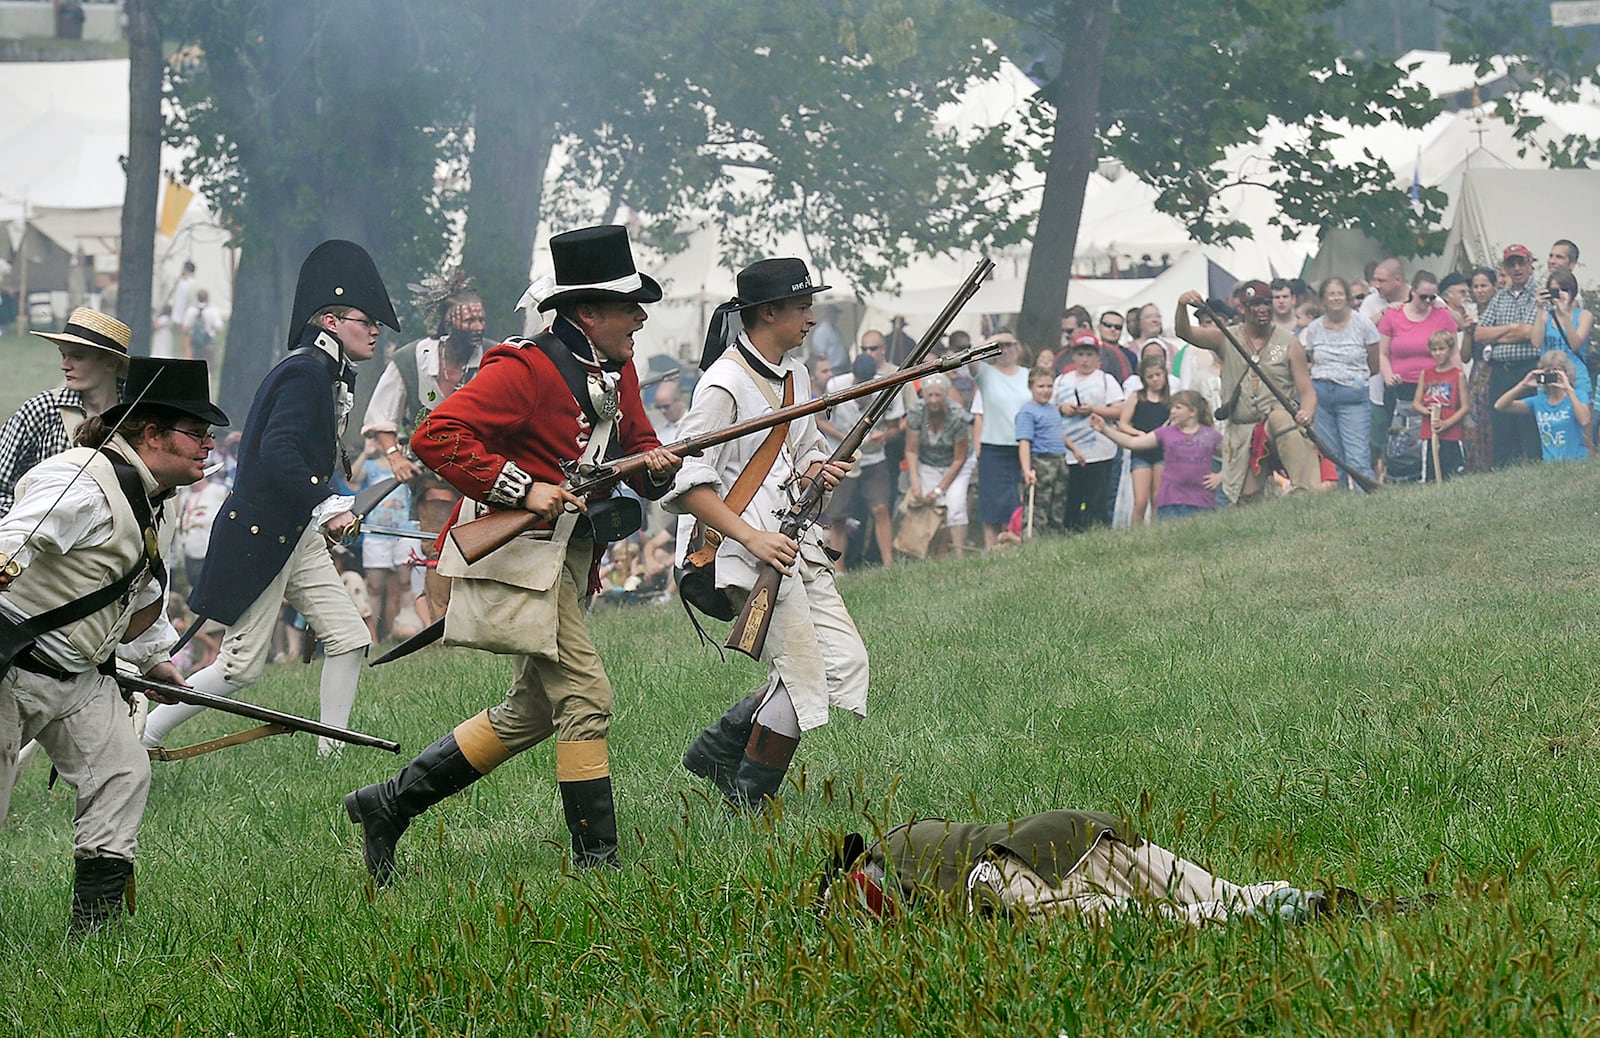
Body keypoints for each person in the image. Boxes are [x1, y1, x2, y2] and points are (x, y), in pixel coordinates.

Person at [345, 226, 680, 881]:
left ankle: (388, 803)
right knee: (587, 699)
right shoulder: (526, 366)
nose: (641, 318)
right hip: (518, 558)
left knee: (530, 712)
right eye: (627, 307)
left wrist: (659, 470)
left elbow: (637, 451)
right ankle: (599, 867)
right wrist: (525, 489)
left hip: (566, 559)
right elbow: (439, 437)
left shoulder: (619, 368)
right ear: (588, 313)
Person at [142, 241, 400, 757]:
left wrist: (333, 504)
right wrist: (329, 503)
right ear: (330, 320)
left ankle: (333, 755)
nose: (375, 330)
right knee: (240, 667)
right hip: (263, 535)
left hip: (291, 533)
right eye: (364, 319)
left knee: (349, 638)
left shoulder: (318, 374)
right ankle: (142, 735)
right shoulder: (305, 373)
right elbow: (279, 452)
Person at [0, 357, 228, 932]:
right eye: (196, 433)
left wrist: (156, 658)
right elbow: (21, 529)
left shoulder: (153, 498)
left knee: (122, 774)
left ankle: (95, 931)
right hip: (11, 666)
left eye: (208, 435)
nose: (206, 446)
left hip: (78, 677)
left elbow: (141, 588)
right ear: (151, 434)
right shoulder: (83, 480)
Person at [668, 257, 858, 812]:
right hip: (743, 552)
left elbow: (801, 453)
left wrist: (816, 471)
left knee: (844, 664)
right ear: (767, 312)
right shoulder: (724, 384)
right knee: (802, 680)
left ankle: (717, 748)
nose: (810, 318)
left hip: (792, 542)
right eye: (801, 307)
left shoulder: (793, 376)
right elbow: (684, 478)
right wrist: (750, 539)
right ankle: (749, 805)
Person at [818, 809, 1402, 925]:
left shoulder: (880, 861)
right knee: (1220, 891)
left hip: (1012, 875)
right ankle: (1314, 901)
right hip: (1082, 832)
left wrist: (839, 907)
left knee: (1182, 920)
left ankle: (1298, 909)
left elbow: (869, 898)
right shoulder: (911, 836)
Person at [361, 270, 488, 619]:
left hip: (484, 471)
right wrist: (394, 456)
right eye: (469, 319)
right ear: (449, 320)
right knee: (438, 543)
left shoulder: (493, 358)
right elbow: (380, 418)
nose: (477, 326)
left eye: (480, 318)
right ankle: (441, 626)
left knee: (485, 543)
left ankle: (481, 623)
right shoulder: (412, 359)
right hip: (432, 474)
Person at [1174, 284, 1320, 502]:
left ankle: (1303, 490)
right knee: (1247, 500)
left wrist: (1306, 413)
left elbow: (1307, 391)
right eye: (1255, 304)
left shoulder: (1288, 342)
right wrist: (1181, 304)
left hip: (1278, 423)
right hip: (1242, 429)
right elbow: (1184, 332)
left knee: (1282, 420)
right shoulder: (1225, 337)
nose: (1262, 309)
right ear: (1242, 309)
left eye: (1266, 303)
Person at [0, 307, 130, 516]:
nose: (64, 365)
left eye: (77, 357)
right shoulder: (42, 410)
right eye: (63, 355)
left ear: (110, 363)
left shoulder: (136, 418)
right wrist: (22, 525)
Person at [1375, 270, 1457, 479]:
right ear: (1413, 292)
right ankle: (1400, 477)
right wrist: (1387, 375)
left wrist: (1457, 381)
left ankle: (1434, 475)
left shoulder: (1442, 315)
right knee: (1400, 439)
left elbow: (1453, 350)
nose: (1428, 302)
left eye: (1432, 297)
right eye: (1423, 297)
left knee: (1433, 436)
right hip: (1400, 387)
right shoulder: (1394, 315)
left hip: (1434, 386)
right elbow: (1383, 353)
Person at [825, 353, 903, 570]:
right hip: (842, 457)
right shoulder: (836, 385)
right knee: (838, 515)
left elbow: (895, 428)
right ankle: (838, 569)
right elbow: (819, 419)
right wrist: (844, 438)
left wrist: (884, 436)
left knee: (880, 508)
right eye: (860, 382)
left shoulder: (887, 387)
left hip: (874, 456)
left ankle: (889, 565)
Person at [1093, 390, 1222, 519]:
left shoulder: (1210, 435)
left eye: (1178, 408)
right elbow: (1133, 442)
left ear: (1192, 412)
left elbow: (1233, 456)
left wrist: (1222, 475)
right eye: (1172, 407)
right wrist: (1105, 429)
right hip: (1170, 501)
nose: (1172, 411)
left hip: (1202, 501)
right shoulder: (1165, 433)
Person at [1301, 277, 1379, 490]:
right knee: (1332, 456)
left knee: (1357, 456)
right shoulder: (1315, 328)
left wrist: (1355, 380)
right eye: (1331, 294)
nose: (1336, 298)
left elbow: (1375, 362)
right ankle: (1343, 502)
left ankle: (1367, 500)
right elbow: (1311, 358)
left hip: (1352, 395)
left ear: (1347, 297)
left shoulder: (1363, 324)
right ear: (1323, 300)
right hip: (1322, 396)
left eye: (1340, 293)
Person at [1476, 245, 1543, 466]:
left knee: (1530, 432)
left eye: (1521, 262)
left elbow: (1529, 332)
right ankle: (1503, 480)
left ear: (1530, 263)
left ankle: (1537, 481)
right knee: (1502, 431)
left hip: (1529, 369)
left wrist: (1499, 334)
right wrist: (1513, 328)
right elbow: (1480, 333)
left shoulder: (1539, 294)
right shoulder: (1499, 297)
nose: (1516, 268)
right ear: (1505, 267)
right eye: (1511, 264)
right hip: (1501, 371)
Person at [1053, 334, 1125, 530]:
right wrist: (1062, 409)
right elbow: (1048, 411)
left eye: (1089, 355)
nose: (1085, 360)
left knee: (1097, 501)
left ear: (1097, 357)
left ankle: (1097, 533)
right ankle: (1070, 533)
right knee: (1071, 500)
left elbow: (1119, 410)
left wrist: (1093, 409)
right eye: (1081, 354)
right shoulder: (1061, 381)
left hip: (1100, 451)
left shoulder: (1105, 380)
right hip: (1068, 452)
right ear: (1073, 356)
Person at [968, 331, 1030, 549]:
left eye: (1010, 345)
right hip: (994, 447)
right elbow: (970, 357)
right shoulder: (986, 373)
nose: (1006, 350)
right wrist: (990, 342)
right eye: (1000, 346)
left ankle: (1013, 548)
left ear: (1019, 347)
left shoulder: (1028, 375)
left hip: (1024, 446)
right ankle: (990, 550)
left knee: (1016, 503)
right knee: (992, 506)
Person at [903, 372, 972, 556]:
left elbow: (960, 457)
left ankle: (959, 554)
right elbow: (911, 450)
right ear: (923, 396)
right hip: (928, 462)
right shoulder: (917, 412)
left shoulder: (957, 415)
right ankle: (929, 553)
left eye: (938, 395)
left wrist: (940, 489)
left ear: (946, 395)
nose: (933, 400)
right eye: (929, 395)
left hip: (956, 463)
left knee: (955, 505)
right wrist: (915, 481)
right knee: (928, 503)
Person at [1494, 350, 1591, 463]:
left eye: (1556, 371)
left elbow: (1584, 420)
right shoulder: (1538, 401)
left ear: (1566, 373)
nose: (1552, 375)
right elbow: (1500, 406)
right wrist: (1523, 385)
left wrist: (1568, 389)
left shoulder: (1578, 395)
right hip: (1550, 465)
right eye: (1548, 371)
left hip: (1577, 461)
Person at [1015, 368, 1077, 534]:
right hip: (1041, 462)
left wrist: (1075, 450)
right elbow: (1024, 442)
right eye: (1041, 386)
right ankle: (1033, 541)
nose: (1046, 391)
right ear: (1031, 387)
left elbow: (1058, 434)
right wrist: (1027, 470)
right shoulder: (1027, 412)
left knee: (1057, 504)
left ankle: (1054, 539)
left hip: (1059, 461)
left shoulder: (1053, 410)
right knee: (1038, 507)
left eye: (1049, 386)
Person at [1118, 351, 1171, 524]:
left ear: (1164, 375)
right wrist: (1139, 434)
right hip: (1140, 451)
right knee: (1140, 501)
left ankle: (1156, 536)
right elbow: (1123, 424)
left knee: (1158, 498)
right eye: (1150, 377)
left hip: (1161, 452)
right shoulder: (1137, 397)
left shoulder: (1169, 401)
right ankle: (1136, 537)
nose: (1155, 379)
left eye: (1158, 375)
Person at [1530, 269, 1593, 406]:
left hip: (1577, 378)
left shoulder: (1584, 316)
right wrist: (1540, 308)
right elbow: (1536, 342)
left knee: (1581, 422)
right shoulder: (1546, 316)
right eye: (1554, 290)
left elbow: (1575, 344)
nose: (1559, 294)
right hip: (1549, 379)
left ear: (1572, 291)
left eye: (1563, 289)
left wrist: (1565, 315)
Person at [1413, 330, 1466, 482]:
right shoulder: (1426, 374)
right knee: (1430, 475)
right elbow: (1416, 402)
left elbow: (1465, 407)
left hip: (1452, 434)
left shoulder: (1458, 375)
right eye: (1434, 350)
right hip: (1429, 433)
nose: (1438, 353)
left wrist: (1447, 423)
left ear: (1449, 349)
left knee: (1454, 476)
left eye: (1441, 349)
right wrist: (1427, 411)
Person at [1462, 266, 1501, 472]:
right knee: (1475, 421)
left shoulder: (1501, 310)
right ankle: (1476, 465)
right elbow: (1464, 356)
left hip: (1497, 369)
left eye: (1484, 285)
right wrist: (1468, 331)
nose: (1480, 290)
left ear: (1494, 287)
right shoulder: (1471, 313)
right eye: (1475, 286)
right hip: (1478, 374)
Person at [181, 288, 225, 365]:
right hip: (208, 343)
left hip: (195, 344)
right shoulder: (213, 311)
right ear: (207, 298)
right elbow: (219, 329)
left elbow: (184, 329)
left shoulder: (191, 310)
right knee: (208, 367)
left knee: (195, 366)